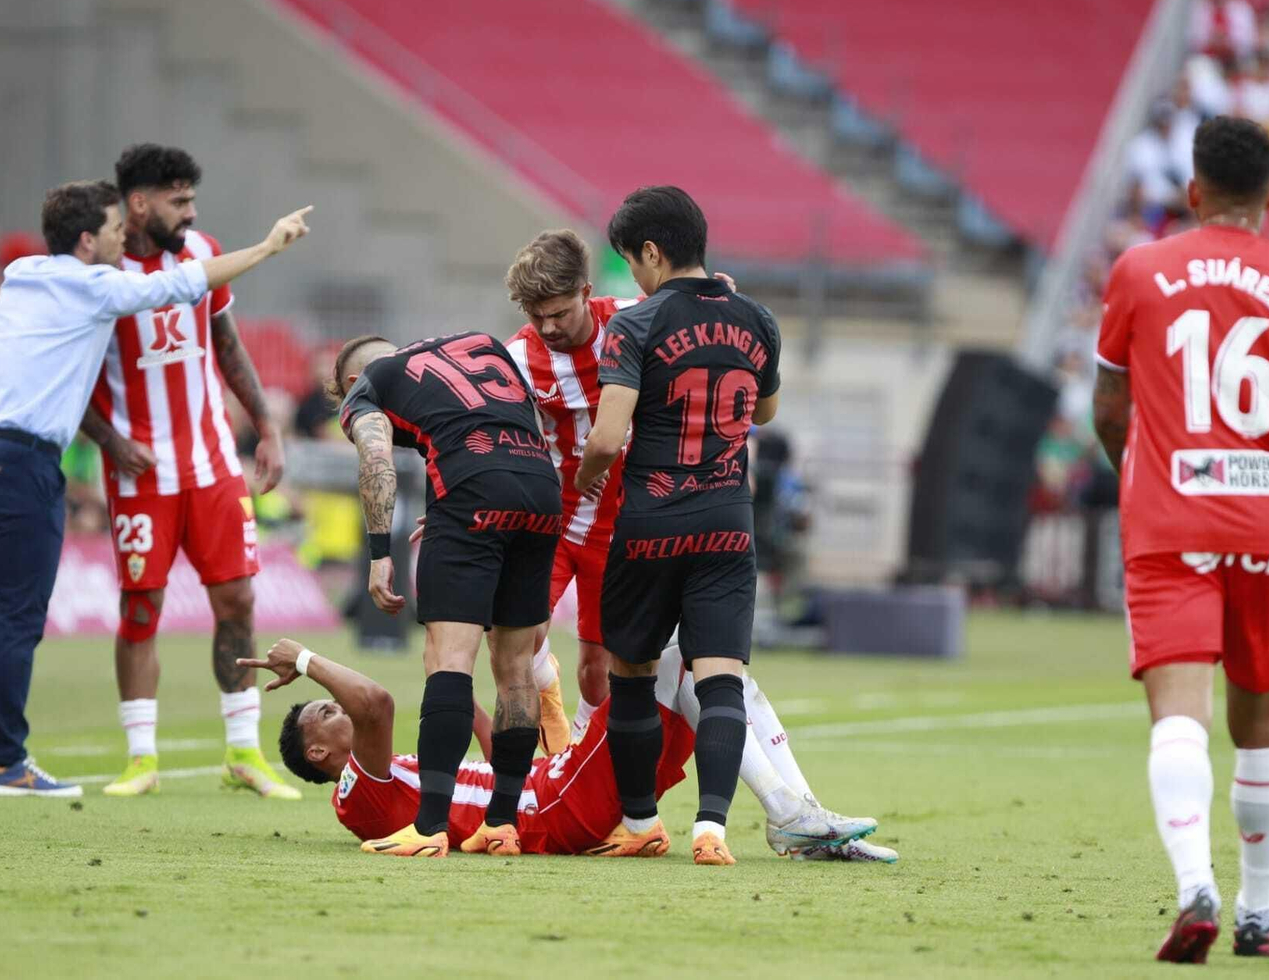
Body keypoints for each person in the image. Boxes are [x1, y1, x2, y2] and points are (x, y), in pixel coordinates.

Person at [1091, 116, 1269, 962]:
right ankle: (1257, 909)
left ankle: (1194, 889)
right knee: (1264, 723)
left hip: (1169, 522)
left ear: (1192, 190)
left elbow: (1109, 407)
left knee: (1179, 716)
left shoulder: (1139, 270)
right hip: (1264, 530)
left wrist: (1135, 469)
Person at [0, 179, 310, 799]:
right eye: (114, 230)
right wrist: (267, 246)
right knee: (18, 621)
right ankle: (5, 763)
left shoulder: (22, 272)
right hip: (25, 464)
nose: (122, 238)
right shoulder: (97, 286)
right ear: (88, 241)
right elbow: (183, 284)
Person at [244, 636, 896, 862]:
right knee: (684, 657)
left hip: (554, 786)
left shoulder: (402, 778)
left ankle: (802, 816)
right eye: (325, 714)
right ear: (320, 756)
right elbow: (375, 703)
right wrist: (304, 661)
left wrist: (467, 701)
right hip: (557, 805)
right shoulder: (357, 795)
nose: (338, 708)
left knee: (720, 675)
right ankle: (788, 815)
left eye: (328, 703)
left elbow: (499, 766)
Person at [76, 145, 298, 801]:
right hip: (141, 474)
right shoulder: (100, 274)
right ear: (139, 203)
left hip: (212, 464)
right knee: (140, 606)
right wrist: (110, 441)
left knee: (238, 601)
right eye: (179, 201)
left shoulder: (203, 251)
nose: (191, 212)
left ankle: (244, 753)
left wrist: (268, 427)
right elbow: (69, 376)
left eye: (192, 200)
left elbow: (227, 344)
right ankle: (141, 759)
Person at [575, 186, 782, 866]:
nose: (634, 276)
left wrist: (580, 480)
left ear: (653, 253)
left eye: (632, 262)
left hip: (652, 525)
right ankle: (711, 828)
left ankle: (641, 822)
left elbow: (608, 438)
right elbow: (765, 411)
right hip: (727, 524)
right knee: (720, 677)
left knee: (631, 672)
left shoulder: (635, 325)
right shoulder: (756, 318)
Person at [332, 330, 562, 857]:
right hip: (540, 492)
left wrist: (379, 552)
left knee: (449, 659)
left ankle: (430, 825)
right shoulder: (479, 342)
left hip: (473, 497)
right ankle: (502, 824)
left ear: (352, 380)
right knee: (517, 669)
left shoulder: (369, 385)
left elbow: (376, 460)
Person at [501, 229, 636, 750]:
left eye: (559, 313)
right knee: (517, 635)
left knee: (597, 669)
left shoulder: (633, 320)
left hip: (617, 527)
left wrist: (720, 294)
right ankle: (556, 738)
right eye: (537, 316)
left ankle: (584, 750)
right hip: (551, 518)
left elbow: (698, 311)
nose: (549, 327)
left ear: (585, 291)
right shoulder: (516, 356)